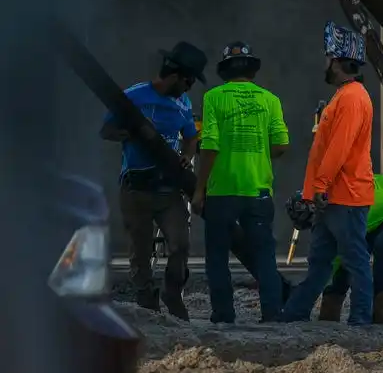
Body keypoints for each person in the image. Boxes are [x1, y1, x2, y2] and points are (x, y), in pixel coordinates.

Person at [99, 41, 207, 321]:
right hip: (136, 187)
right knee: (141, 251)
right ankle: (148, 302)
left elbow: (192, 135)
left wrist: (186, 153)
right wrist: (128, 134)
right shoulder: (134, 97)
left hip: (169, 188)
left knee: (180, 244)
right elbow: (106, 129)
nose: (190, 86)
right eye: (189, 80)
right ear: (174, 75)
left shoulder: (183, 103)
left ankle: (172, 292)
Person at [280, 21, 375, 325]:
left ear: (337, 61)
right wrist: (314, 193)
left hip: (344, 197)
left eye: (327, 57)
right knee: (320, 263)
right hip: (332, 198)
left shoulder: (351, 99)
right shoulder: (346, 96)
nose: (324, 63)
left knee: (355, 261)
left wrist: (318, 187)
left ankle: (361, 320)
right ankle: (295, 313)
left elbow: (338, 149)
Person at [191, 41, 289, 324]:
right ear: (252, 70)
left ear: (224, 71)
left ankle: (224, 315)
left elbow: (209, 145)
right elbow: (281, 146)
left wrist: (200, 189)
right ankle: (272, 313)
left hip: (222, 191)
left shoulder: (214, 98)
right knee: (264, 256)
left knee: (218, 257)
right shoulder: (270, 100)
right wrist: (257, 151)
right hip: (258, 190)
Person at [286, 174, 383, 324]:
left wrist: (315, 283)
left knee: (382, 248)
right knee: (350, 254)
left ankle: (381, 315)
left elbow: (342, 253)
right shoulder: (329, 200)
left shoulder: (345, 209)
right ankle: (329, 315)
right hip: (378, 207)